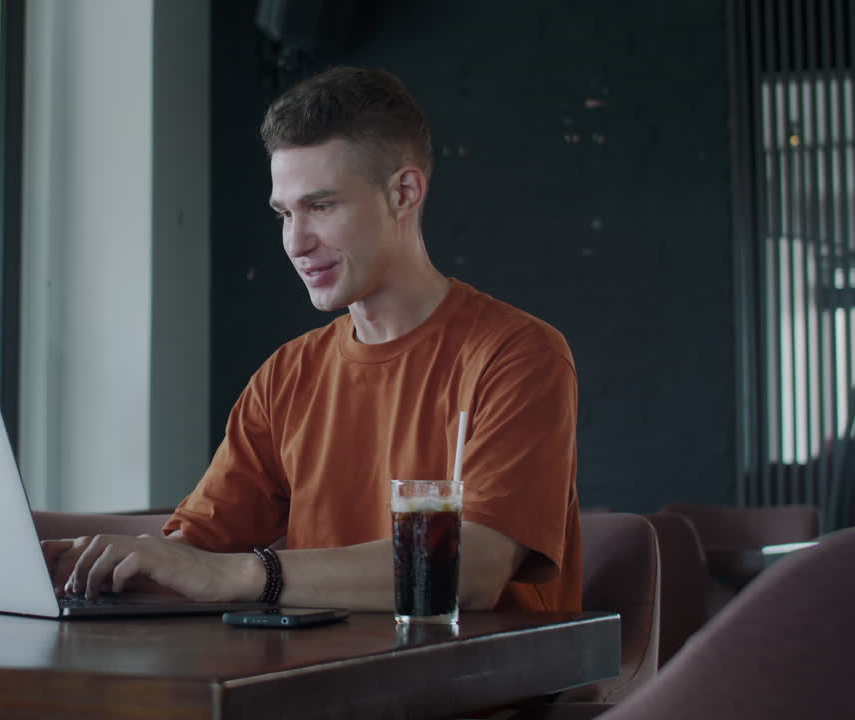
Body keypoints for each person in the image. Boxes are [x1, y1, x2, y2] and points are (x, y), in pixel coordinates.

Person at [45, 66, 581, 613]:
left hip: (476, 691)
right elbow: (195, 553)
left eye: (321, 206)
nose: (296, 242)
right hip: (316, 686)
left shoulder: (518, 354)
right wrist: (84, 568)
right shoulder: (287, 374)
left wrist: (252, 574)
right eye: (284, 213)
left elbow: (473, 571)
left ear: (404, 192)